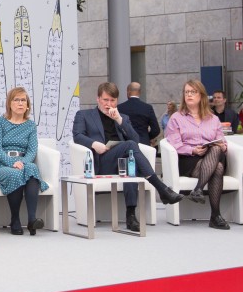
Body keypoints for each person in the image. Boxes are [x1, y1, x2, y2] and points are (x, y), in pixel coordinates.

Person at [73, 82, 183, 232]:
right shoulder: (84, 115)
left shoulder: (122, 117)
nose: (109, 104)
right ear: (98, 99)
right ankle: (161, 188)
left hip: (121, 160)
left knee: (129, 159)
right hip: (100, 161)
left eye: (112, 100)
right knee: (129, 147)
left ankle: (131, 216)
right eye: (105, 100)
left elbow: (136, 139)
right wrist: (93, 144)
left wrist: (119, 120)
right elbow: (77, 136)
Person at [165, 80, 231, 229]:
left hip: (211, 154)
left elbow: (223, 142)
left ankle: (198, 189)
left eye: (193, 92)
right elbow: (175, 144)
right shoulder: (176, 118)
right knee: (218, 168)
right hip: (189, 160)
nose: (189, 95)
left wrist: (222, 145)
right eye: (186, 92)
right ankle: (215, 216)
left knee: (215, 149)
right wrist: (192, 150)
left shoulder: (213, 119)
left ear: (201, 96)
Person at [0, 87, 48, 235]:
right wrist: (12, 163)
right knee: (15, 174)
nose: (20, 103)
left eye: (23, 100)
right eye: (16, 100)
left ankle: (31, 221)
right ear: (9, 104)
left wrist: (22, 162)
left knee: (32, 169)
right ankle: (15, 219)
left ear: (27, 104)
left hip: (23, 161)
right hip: (3, 164)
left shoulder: (30, 125)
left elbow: (32, 150)